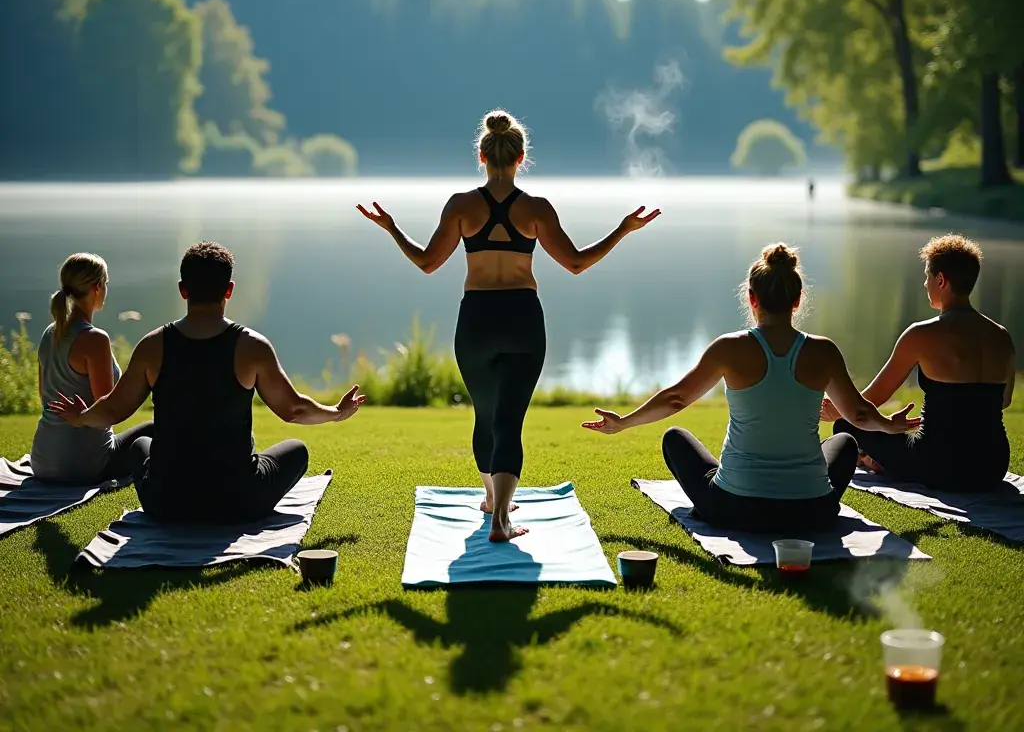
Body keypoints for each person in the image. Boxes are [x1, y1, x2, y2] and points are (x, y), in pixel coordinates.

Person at [358, 109, 660, 541]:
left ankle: (491, 500)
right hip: (522, 319)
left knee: (486, 415)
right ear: (521, 158)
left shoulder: (461, 206)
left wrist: (391, 228)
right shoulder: (536, 209)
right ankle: (500, 517)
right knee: (509, 421)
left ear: (482, 156)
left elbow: (427, 262)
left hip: (477, 319)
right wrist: (623, 229)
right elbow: (576, 263)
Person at [583, 243, 919, 532]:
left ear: (751, 297)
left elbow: (676, 399)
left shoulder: (728, 348)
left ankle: (735, 487)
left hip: (734, 508)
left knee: (675, 438)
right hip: (811, 512)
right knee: (845, 442)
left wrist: (623, 422)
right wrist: (889, 425)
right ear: (797, 300)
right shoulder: (823, 351)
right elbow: (858, 414)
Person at [49, 241, 365, 522]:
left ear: (182, 289)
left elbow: (113, 409)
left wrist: (80, 418)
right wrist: (337, 412)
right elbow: (293, 410)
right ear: (229, 290)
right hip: (238, 503)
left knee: (139, 446)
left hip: (166, 504)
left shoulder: (152, 346)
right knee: (297, 450)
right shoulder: (252, 346)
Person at [825, 234, 1015, 492]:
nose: (925, 283)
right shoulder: (1002, 336)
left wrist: (839, 408)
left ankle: (874, 461)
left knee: (845, 425)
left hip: (940, 465)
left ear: (941, 280)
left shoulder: (920, 334)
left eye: (927, 276)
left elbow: (873, 400)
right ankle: (877, 460)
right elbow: (1004, 401)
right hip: (993, 466)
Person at [31, 252, 153, 483]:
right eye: (106, 284)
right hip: (83, 464)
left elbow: (43, 394)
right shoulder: (95, 339)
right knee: (155, 429)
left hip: (42, 461)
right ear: (97, 288)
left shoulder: (50, 332)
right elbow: (107, 412)